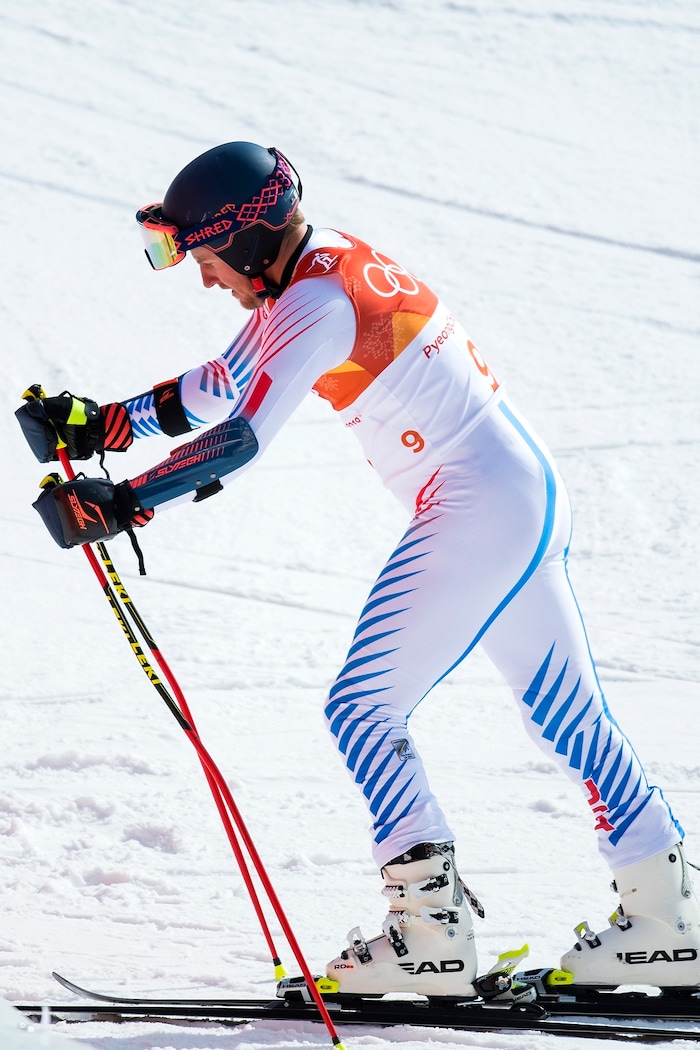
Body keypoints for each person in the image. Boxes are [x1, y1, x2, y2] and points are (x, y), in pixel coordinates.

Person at [18, 141, 700, 996]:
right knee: (566, 714)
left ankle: (427, 934)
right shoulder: (318, 263)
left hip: (475, 504)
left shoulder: (314, 298)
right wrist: (104, 426)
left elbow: (242, 435)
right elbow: (229, 377)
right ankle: (668, 920)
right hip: (518, 492)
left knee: (362, 706)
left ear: (245, 235)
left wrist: (127, 502)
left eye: (202, 256)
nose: (202, 279)